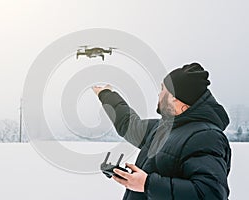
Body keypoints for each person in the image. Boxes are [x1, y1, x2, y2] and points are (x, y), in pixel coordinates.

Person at [92, 63, 231, 200]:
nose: (159, 94)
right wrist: (106, 94)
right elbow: (129, 125)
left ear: (174, 98)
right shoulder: (163, 127)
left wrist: (147, 184)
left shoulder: (206, 136)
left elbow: (210, 194)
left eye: (163, 89)